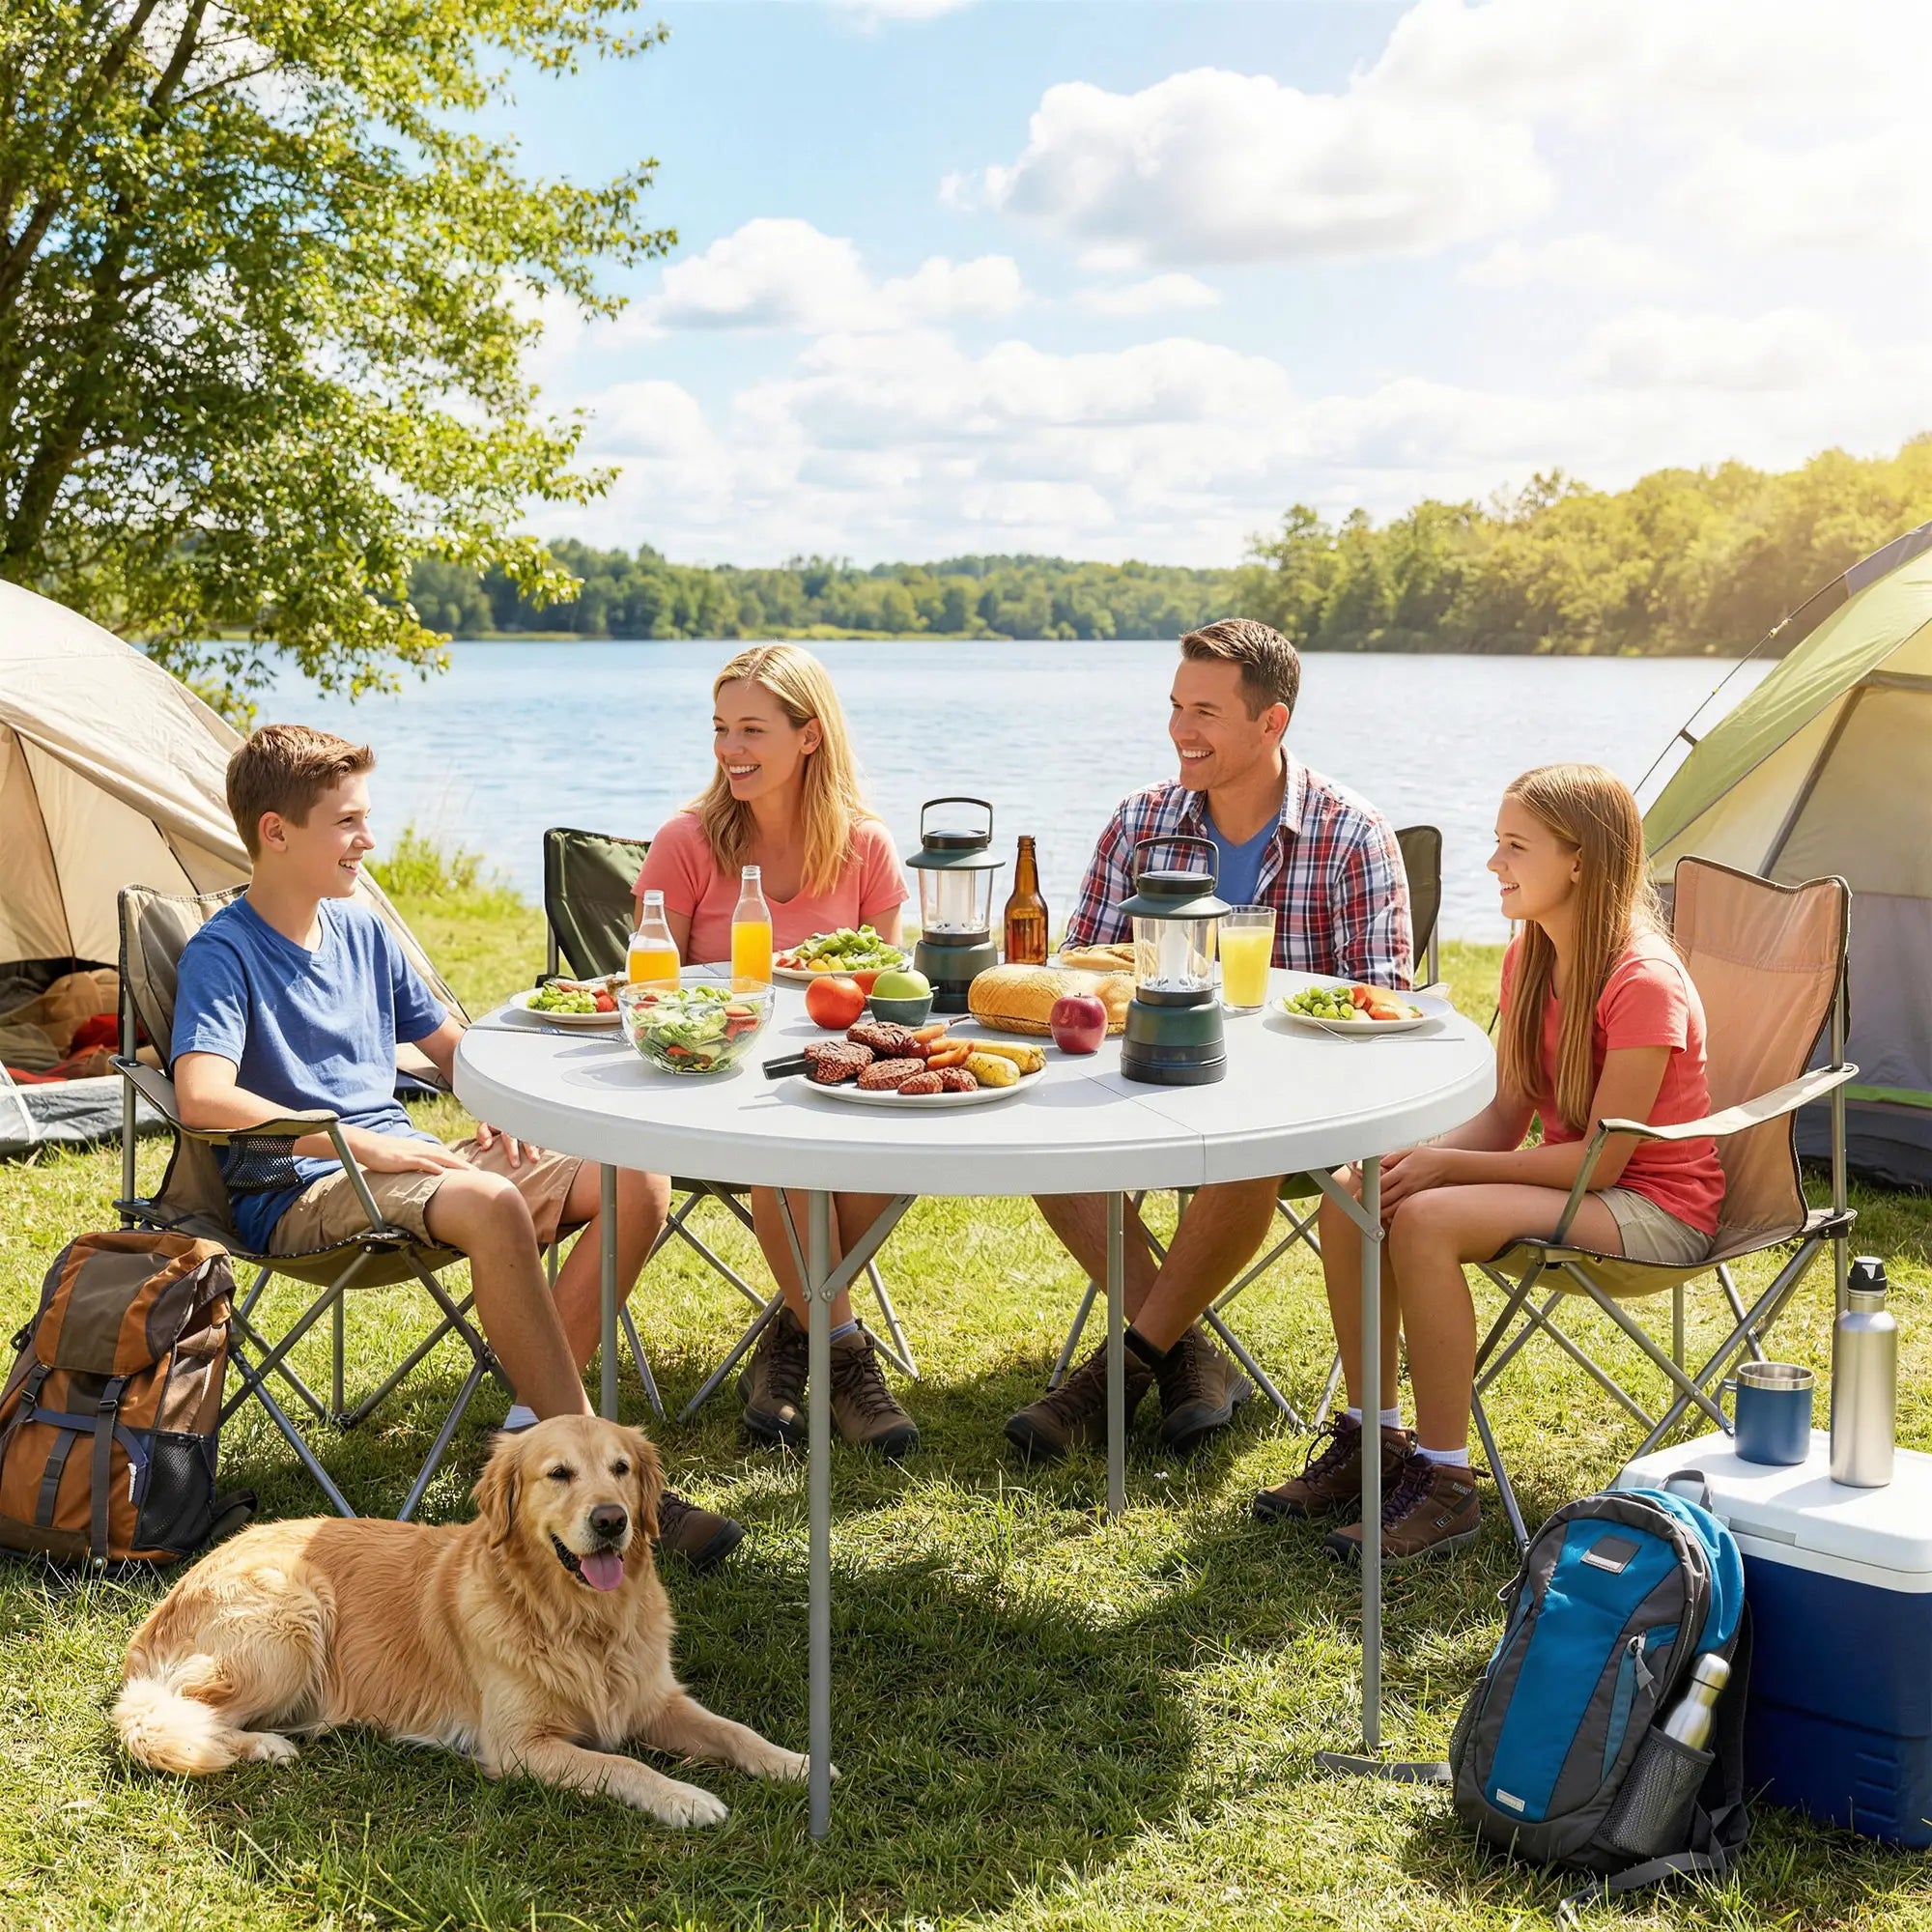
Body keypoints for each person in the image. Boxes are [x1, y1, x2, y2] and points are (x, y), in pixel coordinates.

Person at [172, 724, 743, 1570]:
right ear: (276, 831)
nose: (369, 839)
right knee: (490, 1200)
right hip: (300, 1186)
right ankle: (590, 1479)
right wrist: (362, 1146)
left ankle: (527, 1433)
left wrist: (495, 1094)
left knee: (636, 1180)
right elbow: (203, 1095)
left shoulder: (362, 933)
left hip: (408, 1166)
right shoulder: (224, 953)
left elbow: (455, 1049)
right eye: (348, 822)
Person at [1254, 763, 1724, 1562]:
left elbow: (1608, 1161)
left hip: (1656, 1208)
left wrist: (1444, 1175)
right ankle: (1375, 1441)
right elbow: (1508, 1117)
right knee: (1352, 1192)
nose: (1492, 864)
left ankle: (1446, 1486)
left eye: (1515, 846)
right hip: (1581, 1184)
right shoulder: (1531, 958)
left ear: (1580, 860)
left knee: (1429, 1218)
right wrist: (1421, 1155)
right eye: (1496, 843)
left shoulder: (1644, 980)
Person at [1005, 617, 1413, 1463]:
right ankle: (1184, 1352)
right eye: (1176, 707)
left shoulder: (1348, 833)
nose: (1180, 732)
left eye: (1206, 713)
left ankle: (1115, 1377)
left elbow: (1382, 1002)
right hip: (1150, 1079)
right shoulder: (1140, 821)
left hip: (1293, 1106)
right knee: (1043, 1142)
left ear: (1273, 723)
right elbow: (1078, 969)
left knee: (1245, 1145)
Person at [635, 644, 919, 1457]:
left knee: (899, 1146)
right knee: (786, 1152)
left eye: (752, 729)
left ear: (809, 736)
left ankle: (793, 1334)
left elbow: (888, 992)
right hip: (718, 1076)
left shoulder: (867, 846)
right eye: (722, 728)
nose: (731, 749)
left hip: (836, 1074)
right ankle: (843, 1353)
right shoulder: (687, 840)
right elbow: (655, 991)